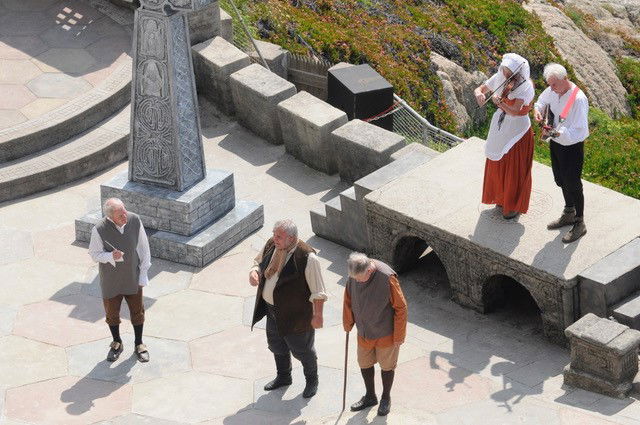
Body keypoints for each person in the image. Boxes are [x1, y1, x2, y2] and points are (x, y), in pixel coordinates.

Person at [249, 219, 327, 398]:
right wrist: (254, 271)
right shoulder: (272, 245)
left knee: (303, 349)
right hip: (272, 310)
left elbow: (318, 292)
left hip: (296, 315)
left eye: (279, 236)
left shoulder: (307, 257)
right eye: (274, 234)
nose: (274, 239)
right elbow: (259, 262)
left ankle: (312, 380)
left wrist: (318, 315)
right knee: (276, 344)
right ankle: (284, 377)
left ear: (291, 238)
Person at [343, 252, 407, 417]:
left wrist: (399, 335)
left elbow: (401, 307)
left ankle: (386, 397)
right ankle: (370, 396)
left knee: (387, 366)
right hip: (364, 332)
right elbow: (348, 299)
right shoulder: (354, 274)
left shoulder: (387, 278)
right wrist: (348, 323)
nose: (356, 281)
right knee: (365, 363)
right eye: (354, 278)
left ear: (369, 271)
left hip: (385, 332)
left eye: (359, 278)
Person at [88, 198, 151, 362]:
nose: (125, 215)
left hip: (132, 275)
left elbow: (144, 248)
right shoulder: (99, 230)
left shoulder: (134, 220)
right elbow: (94, 255)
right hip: (111, 279)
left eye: (124, 210)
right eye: (120, 214)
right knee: (111, 313)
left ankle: (139, 343)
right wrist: (110, 256)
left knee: (138, 311)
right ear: (110, 217)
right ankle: (117, 342)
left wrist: (143, 274)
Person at [474, 53, 536, 219]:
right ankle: (501, 199)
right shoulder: (501, 76)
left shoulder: (525, 85)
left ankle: (513, 205)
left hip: (517, 130)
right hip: (501, 126)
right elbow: (481, 88)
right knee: (498, 162)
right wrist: (479, 93)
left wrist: (499, 102)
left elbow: (515, 111)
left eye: (510, 73)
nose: (507, 76)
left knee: (514, 167)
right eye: (505, 71)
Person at [534, 63, 589, 243]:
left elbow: (581, 131)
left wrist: (558, 133)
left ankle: (579, 223)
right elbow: (542, 101)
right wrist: (537, 110)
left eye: (554, 85)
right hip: (556, 143)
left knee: (573, 183)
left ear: (565, 79)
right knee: (560, 180)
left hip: (572, 147)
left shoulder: (579, 99)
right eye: (549, 85)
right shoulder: (553, 89)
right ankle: (568, 212)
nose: (551, 89)